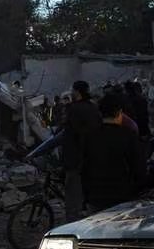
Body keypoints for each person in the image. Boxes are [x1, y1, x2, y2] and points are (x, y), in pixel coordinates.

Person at [83, 92, 144, 210]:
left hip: (96, 196)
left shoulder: (89, 136)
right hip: (122, 196)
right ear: (119, 112)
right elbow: (138, 168)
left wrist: (86, 196)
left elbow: (84, 167)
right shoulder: (128, 135)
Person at [61, 81, 101, 221]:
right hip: (92, 155)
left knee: (73, 194)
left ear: (77, 92)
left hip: (75, 157)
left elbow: (70, 134)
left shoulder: (73, 109)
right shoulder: (94, 107)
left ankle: (73, 223)